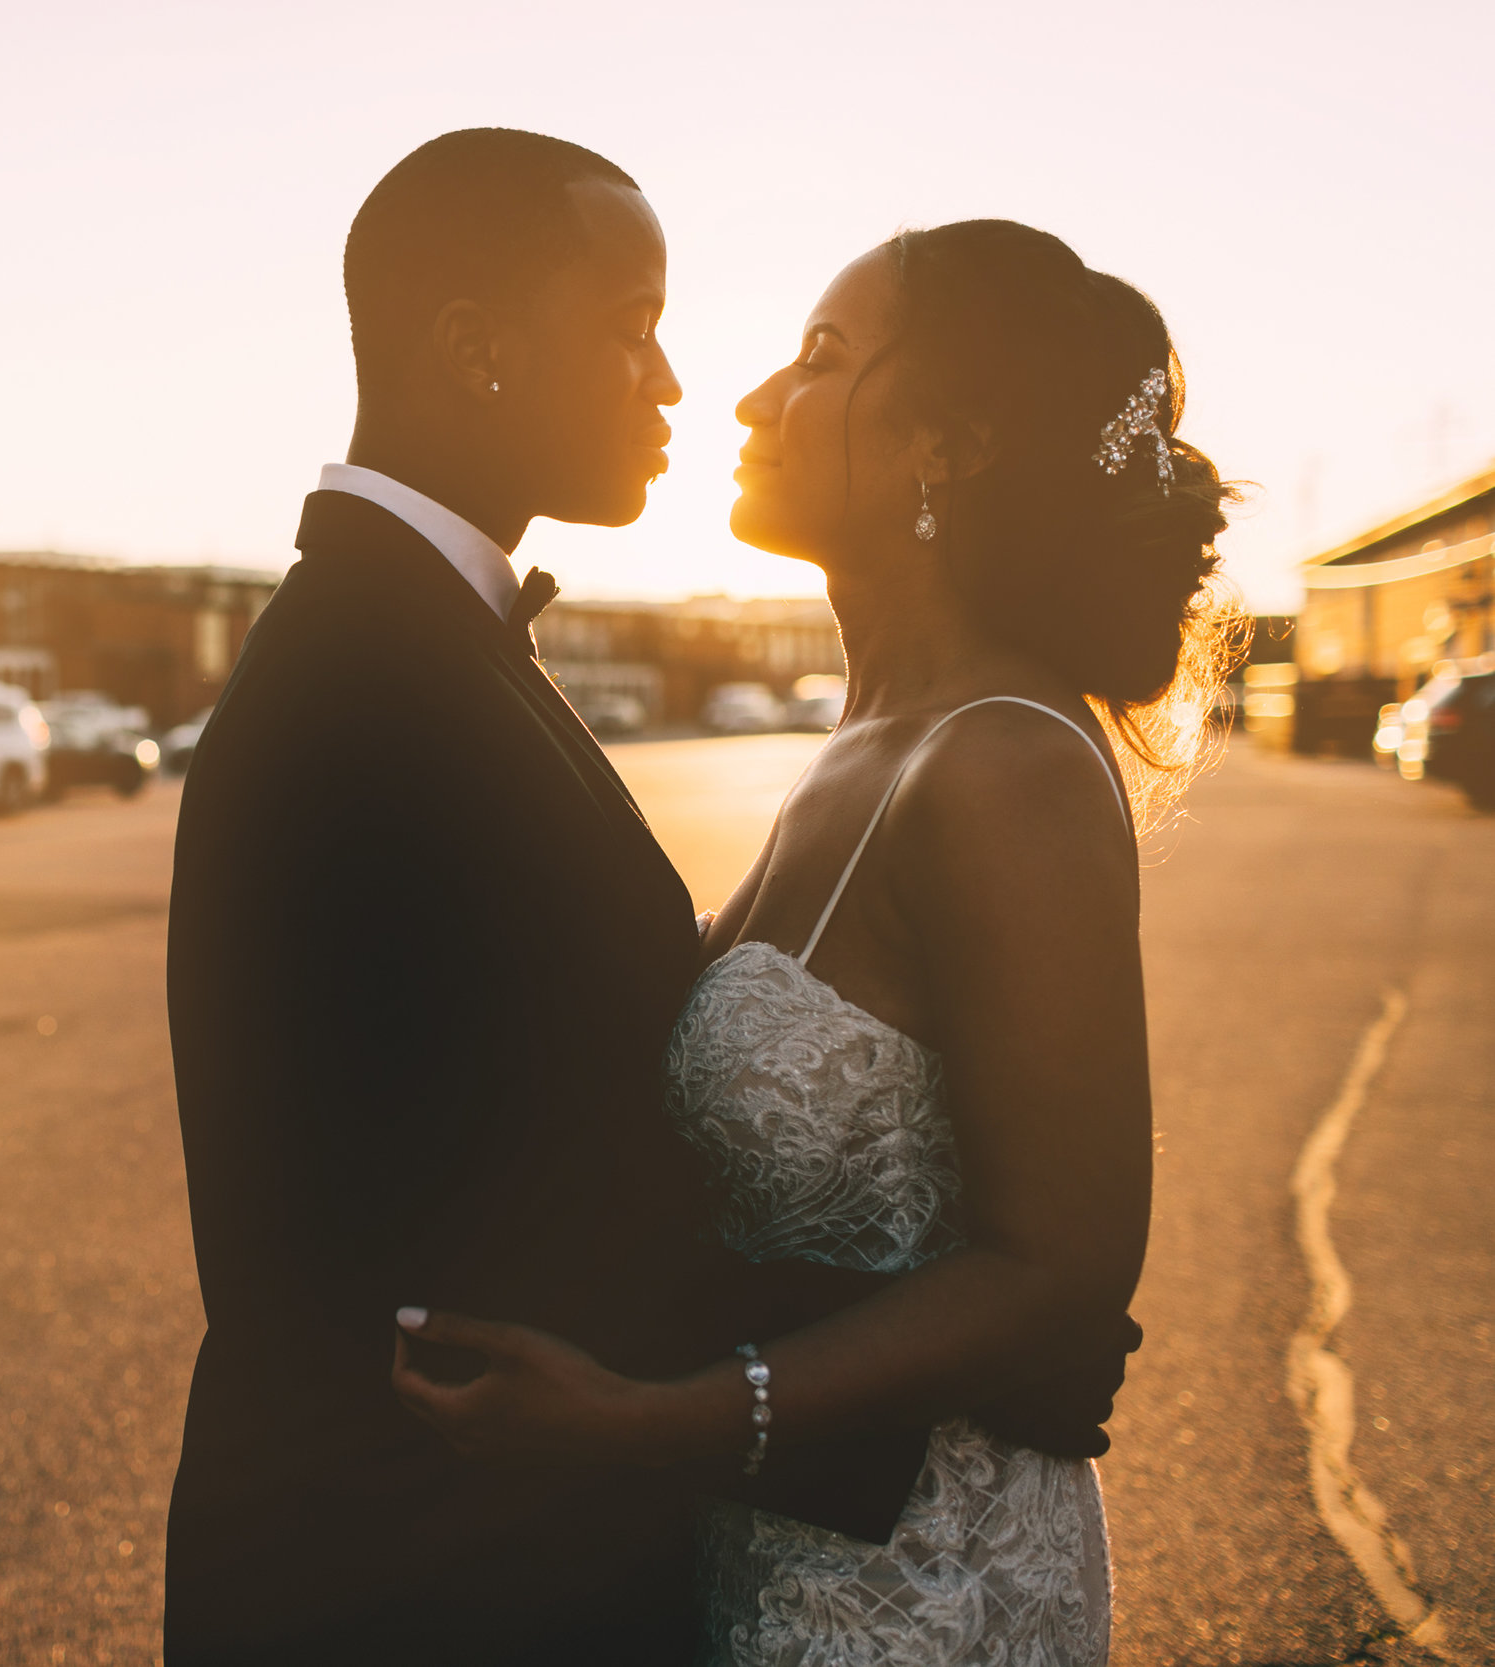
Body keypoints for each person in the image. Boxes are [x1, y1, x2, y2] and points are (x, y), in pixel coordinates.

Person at [163, 130, 1139, 1665]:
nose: (694, 384)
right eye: (633, 329)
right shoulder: (365, 681)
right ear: (480, 352)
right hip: (405, 1592)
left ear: (946, 445)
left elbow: (552, 1141)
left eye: (818, 353)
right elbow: (436, 1236)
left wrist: (1003, 1313)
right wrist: (958, 1359)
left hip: (846, 1586)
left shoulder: (448, 648)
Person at [389, 218, 1241, 1664]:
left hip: (922, 1586)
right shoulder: (862, 742)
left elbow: (1065, 1269)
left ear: (948, 444)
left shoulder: (1005, 764)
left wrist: (655, 1419)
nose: (751, 398)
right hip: (761, 1555)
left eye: (825, 357)